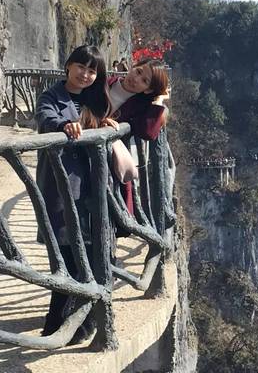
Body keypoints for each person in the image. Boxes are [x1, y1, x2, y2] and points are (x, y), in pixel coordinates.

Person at [35, 44, 115, 341]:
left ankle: (80, 324)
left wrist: (103, 126)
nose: (86, 74)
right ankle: (55, 325)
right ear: (68, 65)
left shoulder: (95, 103)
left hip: (91, 194)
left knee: (92, 258)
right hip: (61, 189)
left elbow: (94, 130)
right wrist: (65, 125)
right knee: (66, 259)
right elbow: (45, 120)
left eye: (92, 70)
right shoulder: (51, 97)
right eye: (81, 67)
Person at [106, 58, 169, 217]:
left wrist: (159, 101)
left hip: (108, 165)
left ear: (148, 90)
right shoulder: (105, 83)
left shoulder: (140, 106)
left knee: (106, 216)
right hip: (79, 150)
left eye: (144, 81)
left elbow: (148, 132)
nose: (136, 78)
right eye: (138, 71)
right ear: (133, 66)